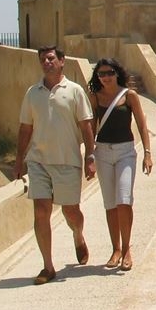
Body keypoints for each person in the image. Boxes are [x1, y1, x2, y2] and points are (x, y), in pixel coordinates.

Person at [15, 45, 96, 285]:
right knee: (41, 211)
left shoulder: (74, 91)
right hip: (38, 161)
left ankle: (78, 235)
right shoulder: (33, 92)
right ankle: (48, 266)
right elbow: (25, 128)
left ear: (62, 61)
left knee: (71, 212)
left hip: (67, 160)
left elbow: (86, 126)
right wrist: (19, 159)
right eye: (43, 59)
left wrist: (90, 157)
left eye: (51, 58)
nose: (46, 62)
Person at [88, 57, 152, 271]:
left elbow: (142, 125)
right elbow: (89, 128)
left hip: (125, 151)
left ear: (117, 73)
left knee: (124, 200)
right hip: (103, 152)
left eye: (109, 73)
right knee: (110, 204)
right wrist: (89, 156)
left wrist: (148, 153)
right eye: (101, 74)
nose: (105, 77)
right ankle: (115, 249)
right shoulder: (95, 97)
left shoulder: (129, 95)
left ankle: (127, 249)